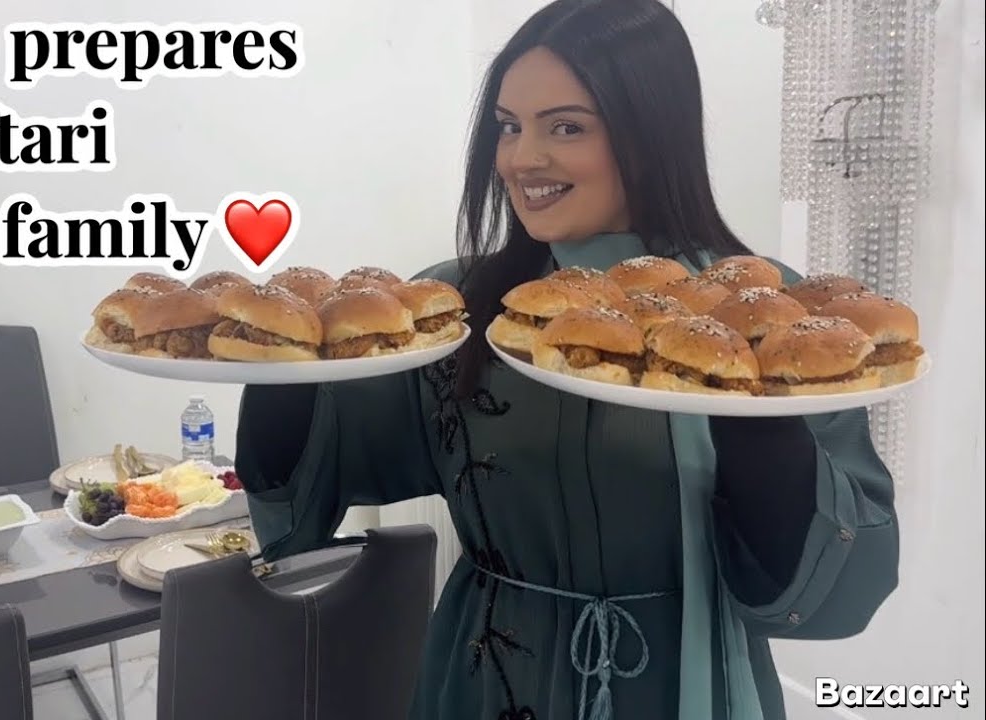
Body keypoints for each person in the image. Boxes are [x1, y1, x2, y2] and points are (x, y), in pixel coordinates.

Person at [235, 1, 899, 718]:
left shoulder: (771, 323)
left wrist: (756, 415)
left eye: (566, 127)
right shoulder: (459, 308)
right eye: (509, 127)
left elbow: (839, 588)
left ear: (651, 133)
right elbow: (306, 493)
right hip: (486, 677)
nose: (522, 159)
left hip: (676, 684)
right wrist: (281, 362)